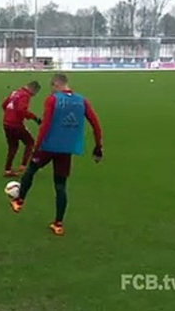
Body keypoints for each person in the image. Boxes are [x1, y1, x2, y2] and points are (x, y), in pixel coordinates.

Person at [9, 73, 103, 236]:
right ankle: (58, 224)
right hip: (67, 148)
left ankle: (19, 200)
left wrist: (37, 146)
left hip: (49, 146)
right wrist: (98, 146)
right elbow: (95, 124)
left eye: (52, 87)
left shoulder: (53, 100)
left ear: (55, 85)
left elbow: (46, 125)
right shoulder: (82, 101)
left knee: (31, 169)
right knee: (60, 186)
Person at [2, 81, 42, 177]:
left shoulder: (15, 92)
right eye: (35, 93)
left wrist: (9, 114)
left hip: (6, 123)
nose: (33, 95)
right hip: (16, 124)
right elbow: (21, 109)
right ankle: (23, 166)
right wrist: (34, 118)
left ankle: (7, 170)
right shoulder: (25, 95)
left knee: (13, 146)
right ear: (33, 89)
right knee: (30, 142)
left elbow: (4, 105)